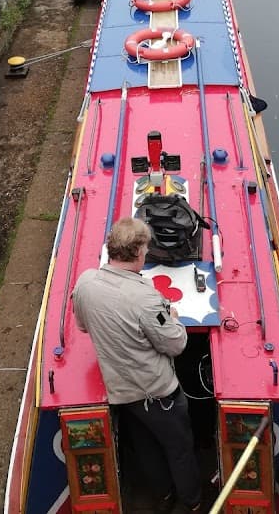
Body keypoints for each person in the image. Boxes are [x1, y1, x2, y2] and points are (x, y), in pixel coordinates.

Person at [72, 218, 201, 514]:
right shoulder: (146, 298)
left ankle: (164, 496)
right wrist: (175, 319)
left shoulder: (86, 283)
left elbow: (82, 326)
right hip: (159, 394)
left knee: (146, 449)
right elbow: (176, 345)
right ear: (139, 252)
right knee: (180, 449)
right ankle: (192, 502)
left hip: (122, 393)